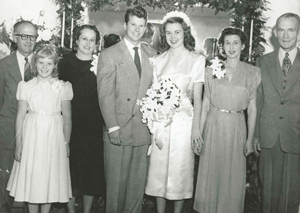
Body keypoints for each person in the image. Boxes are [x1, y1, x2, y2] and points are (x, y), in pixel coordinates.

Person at [194, 27, 261, 213]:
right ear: (222, 46)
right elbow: (205, 104)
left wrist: (249, 139)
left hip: (236, 128)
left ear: (243, 45)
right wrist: (198, 133)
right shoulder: (211, 70)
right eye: (227, 43)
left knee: (232, 177)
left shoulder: (252, 72)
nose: (231, 47)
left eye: (236, 43)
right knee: (211, 174)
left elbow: (253, 110)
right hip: (214, 126)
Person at [97, 6, 157, 213]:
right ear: (125, 25)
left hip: (142, 130)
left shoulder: (152, 55)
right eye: (133, 25)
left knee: (136, 188)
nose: (137, 30)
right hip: (119, 128)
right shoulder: (110, 54)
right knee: (116, 188)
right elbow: (105, 94)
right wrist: (112, 126)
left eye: (141, 26)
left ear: (146, 27)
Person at [144, 12, 205, 213]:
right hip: (161, 123)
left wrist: (196, 129)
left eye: (177, 32)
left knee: (181, 171)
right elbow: (153, 92)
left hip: (184, 122)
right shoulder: (157, 60)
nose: (173, 37)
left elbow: (198, 98)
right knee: (159, 171)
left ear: (184, 33)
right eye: (168, 33)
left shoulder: (196, 60)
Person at [6, 45, 73, 213]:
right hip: (32, 138)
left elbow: (67, 118)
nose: (44, 67)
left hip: (54, 138)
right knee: (34, 178)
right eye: (41, 63)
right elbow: (20, 116)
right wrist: (19, 145)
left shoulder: (62, 87)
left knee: (49, 177)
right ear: (35, 64)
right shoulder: (26, 86)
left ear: (55, 65)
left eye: (49, 63)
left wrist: (66, 142)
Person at [253, 13, 300, 213]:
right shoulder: (262, 61)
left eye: (291, 30)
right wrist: (255, 134)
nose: (286, 35)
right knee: (268, 196)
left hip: (295, 136)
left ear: (298, 32)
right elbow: (258, 100)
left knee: (291, 195)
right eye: (281, 30)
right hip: (268, 135)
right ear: (275, 32)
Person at [58, 25, 105, 213]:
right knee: (69, 170)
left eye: (91, 40)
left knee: (90, 173)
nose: (87, 43)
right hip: (70, 125)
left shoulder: (101, 64)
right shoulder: (64, 64)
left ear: (96, 44)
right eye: (84, 38)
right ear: (76, 40)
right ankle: (71, 211)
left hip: (93, 126)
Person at [0, 20, 37, 212]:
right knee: (4, 183)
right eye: (24, 36)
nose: (28, 41)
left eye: (32, 37)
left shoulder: (44, 64)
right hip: (7, 133)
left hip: (36, 133)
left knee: (32, 183)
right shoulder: (3, 66)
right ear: (15, 38)